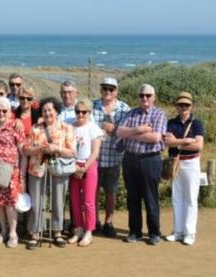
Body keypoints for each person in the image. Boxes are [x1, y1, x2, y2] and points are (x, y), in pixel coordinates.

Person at [116, 84, 167, 246]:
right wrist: (140, 129)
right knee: (133, 197)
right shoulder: (131, 113)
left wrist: (131, 133)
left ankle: (153, 232)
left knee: (150, 197)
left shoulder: (159, 114)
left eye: (148, 95)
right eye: (141, 95)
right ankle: (135, 232)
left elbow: (155, 138)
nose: (144, 98)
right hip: (130, 159)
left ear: (154, 97)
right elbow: (119, 132)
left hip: (150, 160)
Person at [25, 97, 76, 250]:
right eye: (44, 110)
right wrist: (38, 149)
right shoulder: (35, 129)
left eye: (50, 110)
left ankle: (57, 231)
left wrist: (57, 149)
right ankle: (35, 232)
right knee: (36, 201)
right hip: (37, 168)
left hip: (58, 169)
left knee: (58, 200)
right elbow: (25, 149)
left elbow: (72, 151)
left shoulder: (66, 128)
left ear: (57, 112)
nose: (47, 113)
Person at [164, 91, 204, 246]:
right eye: (181, 104)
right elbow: (167, 142)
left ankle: (190, 232)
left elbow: (199, 145)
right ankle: (177, 231)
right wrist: (186, 141)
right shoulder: (171, 123)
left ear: (191, 106)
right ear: (177, 106)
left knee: (191, 198)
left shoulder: (197, 123)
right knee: (177, 197)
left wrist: (178, 142)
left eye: (186, 105)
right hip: (176, 162)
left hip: (191, 162)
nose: (183, 107)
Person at [0, 97, 25, 248]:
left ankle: (13, 233)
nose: (1, 113)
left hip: (11, 172)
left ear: (10, 112)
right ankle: (3, 230)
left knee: (9, 203)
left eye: (4, 110)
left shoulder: (16, 128)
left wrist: (21, 175)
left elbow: (23, 153)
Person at [92, 77, 131, 237]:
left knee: (111, 192)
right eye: (105, 88)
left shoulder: (124, 108)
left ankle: (109, 221)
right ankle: (94, 221)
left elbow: (128, 130)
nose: (108, 92)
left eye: (111, 89)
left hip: (114, 157)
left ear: (116, 91)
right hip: (94, 157)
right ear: (101, 89)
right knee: (93, 192)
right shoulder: (92, 105)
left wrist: (115, 129)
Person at [67, 99, 103, 247]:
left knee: (88, 201)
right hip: (73, 166)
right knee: (74, 200)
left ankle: (89, 231)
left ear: (89, 113)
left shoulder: (93, 128)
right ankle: (79, 229)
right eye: (78, 111)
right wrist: (74, 166)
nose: (80, 114)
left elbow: (95, 152)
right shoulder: (70, 126)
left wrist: (84, 168)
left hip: (88, 165)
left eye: (84, 112)